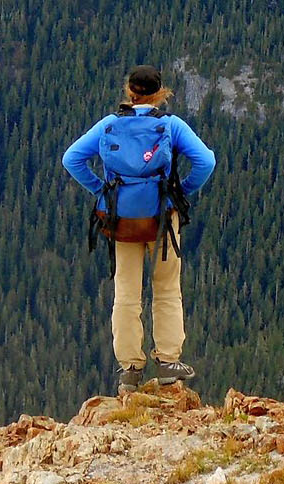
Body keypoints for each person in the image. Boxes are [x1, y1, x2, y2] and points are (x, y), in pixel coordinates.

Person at [62, 65, 217, 394]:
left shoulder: (109, 126)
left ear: (128, 91)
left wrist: (101, 192)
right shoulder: (170, 126)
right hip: (162, 219)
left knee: (127, 294)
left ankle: (130, 368)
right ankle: (167, 362)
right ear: (161, 93)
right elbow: (206, 161)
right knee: (166, 290)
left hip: (121, 219)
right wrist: (180, 192)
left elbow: (72, 159)